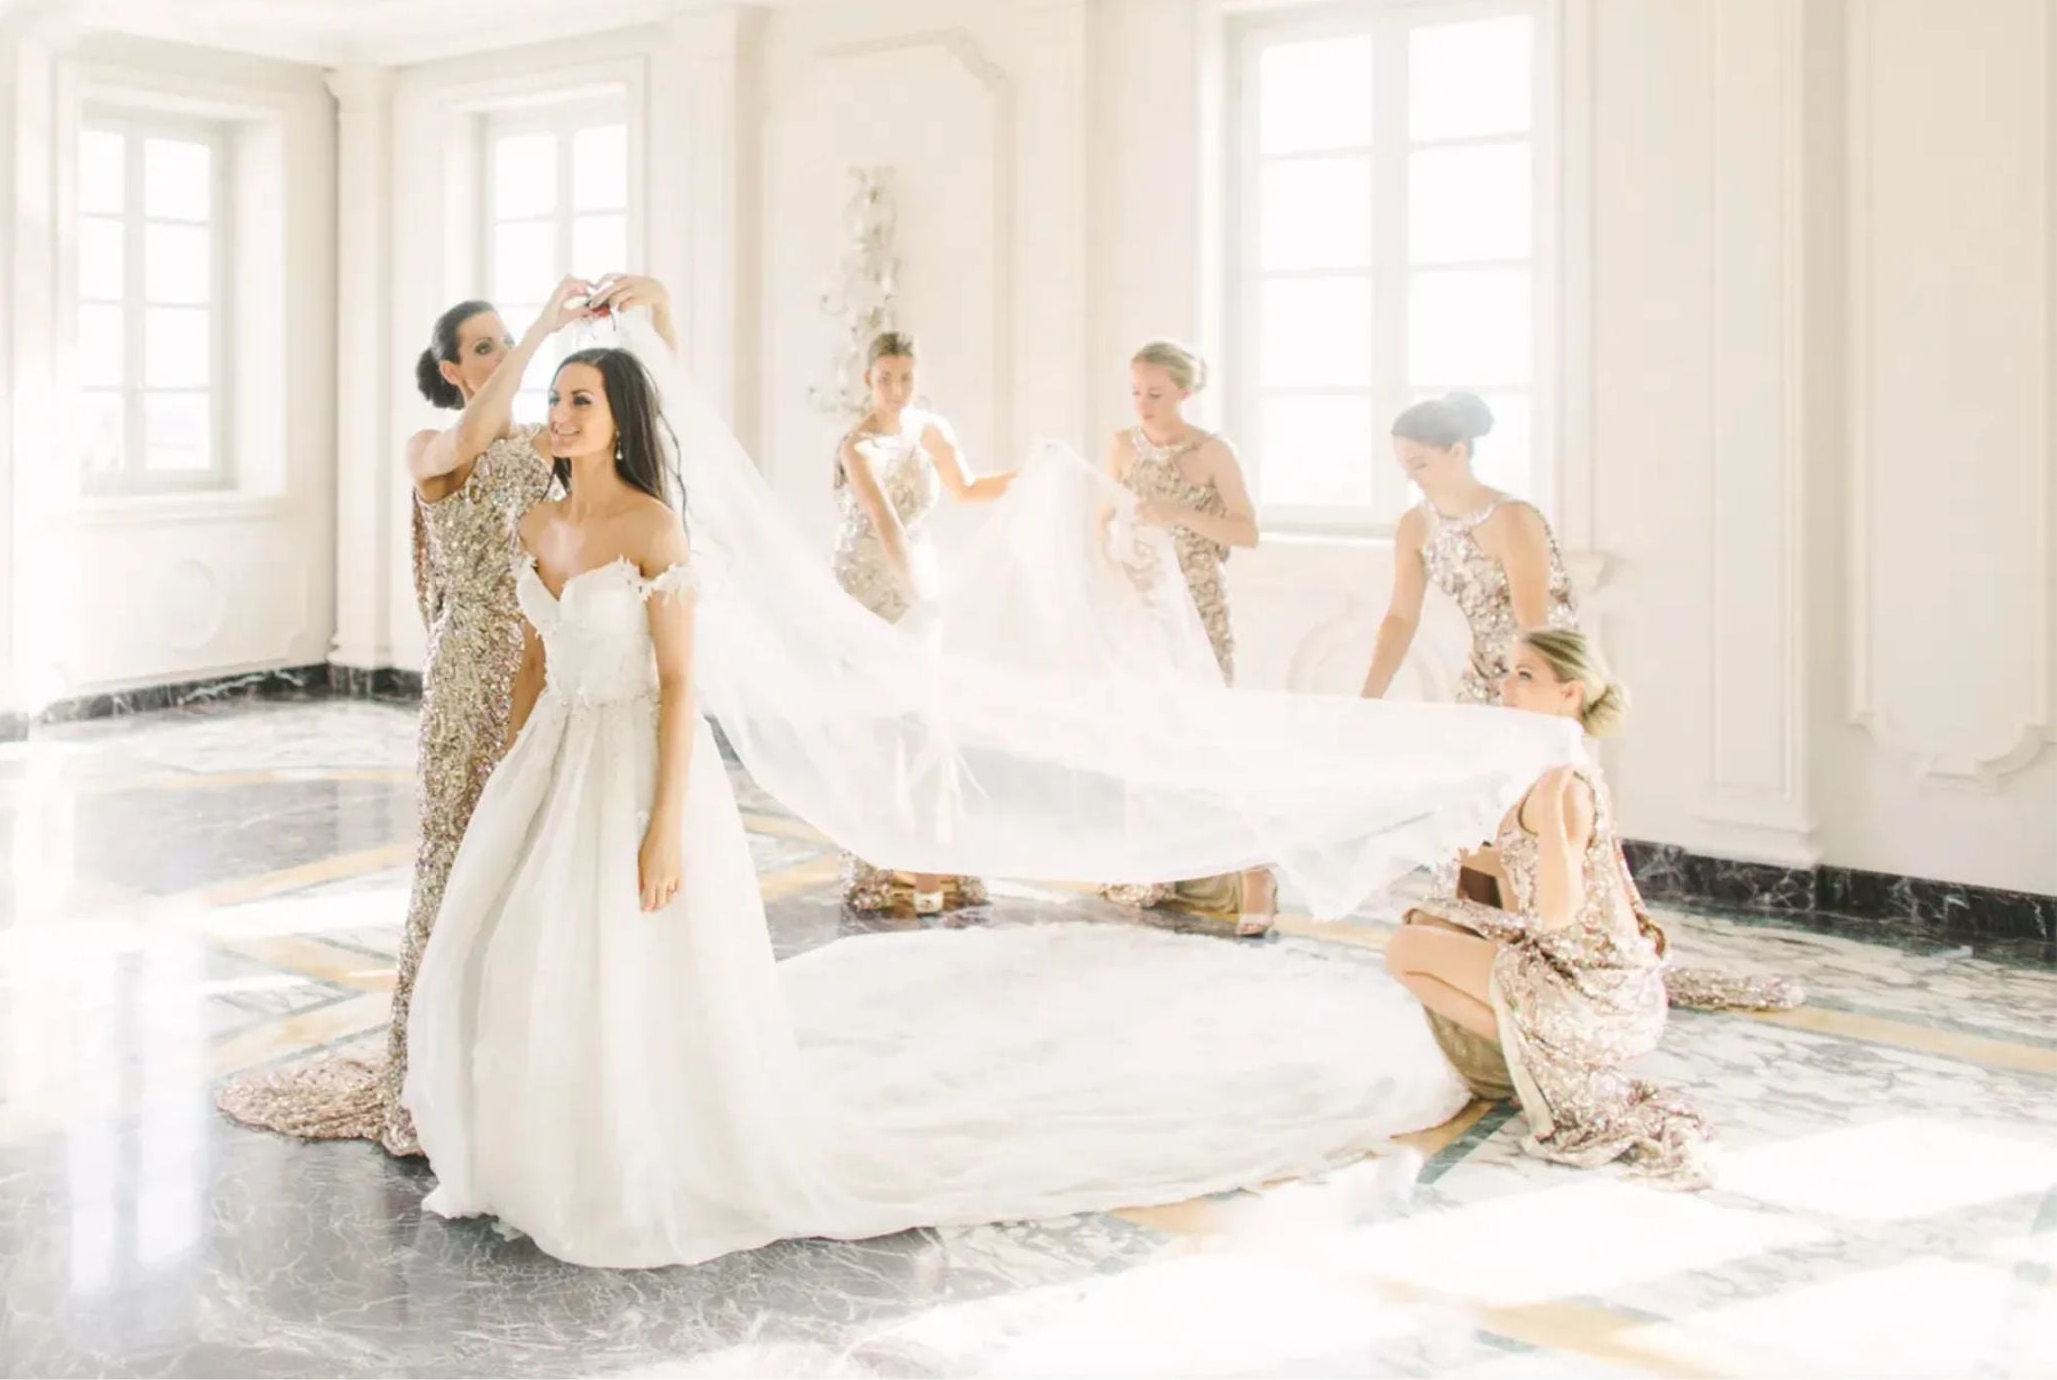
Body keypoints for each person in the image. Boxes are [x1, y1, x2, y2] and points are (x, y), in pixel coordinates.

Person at [401, 318, 1544, 1267]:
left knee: (621, 954)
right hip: (549, 760)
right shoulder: (531, 518)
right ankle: (531, 1146)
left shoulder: (652, 525)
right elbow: (533, 662)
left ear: (621, 423)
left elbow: (682, 680)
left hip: (637, 770)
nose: (560, 416)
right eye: (555, 399)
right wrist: (510, 768)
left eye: (581, 401)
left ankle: (631, 1150)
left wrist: (663, 824)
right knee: (515, 948)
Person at [217, 273, 674, 1156]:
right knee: (456, 868)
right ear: (451, 369)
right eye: (485, 346)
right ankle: (423, 1075)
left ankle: (512, 1072)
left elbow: (644, 431)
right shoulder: (434, 445)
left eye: (507, 341)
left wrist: (656, 318)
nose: (504, 355)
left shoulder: (549, 447)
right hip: (471, 674)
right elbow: (472, 432)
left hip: (550, 664)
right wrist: (545, 323)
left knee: (532, 868)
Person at [1385, 628, 1796, 1184]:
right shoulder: (1554, 768)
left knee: (1403, 950)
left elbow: (1556, 913)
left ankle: (1548, 1058)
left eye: (1525, 675)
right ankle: (1533, 1050)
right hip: (1584, 972)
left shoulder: (1565, 787)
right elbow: (1520, 868)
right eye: (1509, 671)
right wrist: (1418, 842)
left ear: (1570, 694)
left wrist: (1552, 811)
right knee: (1429, 920)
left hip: (1589, 996)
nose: (1505, 685)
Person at [831, 330, 1016, 914]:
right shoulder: (856, 447)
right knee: (876, 727)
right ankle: (880, 865)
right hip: (868, 589)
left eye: (906, 377)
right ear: (868, 380)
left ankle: (936, 867)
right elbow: (884, 523)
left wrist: (1033, 473)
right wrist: (916, 592)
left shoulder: (932, 429)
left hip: (918, 580)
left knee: (925, 721)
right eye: (885, 377)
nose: (896, 388)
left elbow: (966, 488)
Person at [1097, 340, 1278, 936]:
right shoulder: (1122, 446)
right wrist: (1111, 570)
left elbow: (1246, 532)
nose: (1143, 405)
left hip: (1198, 609)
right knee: (1146, 736)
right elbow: (1104, 519)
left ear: (1184, 392)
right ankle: (1156, 865)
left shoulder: (1212, 452)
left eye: (1155, 393)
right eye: (1135, 392)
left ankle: (1255, 870)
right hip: (1140, 606)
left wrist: (1177, 511)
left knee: (1210, 734)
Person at [1361, 393, 1576, 705]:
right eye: (1405, 467)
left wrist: (1533, 699)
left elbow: (1534, 624)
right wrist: (1366, 701)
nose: (1411, 477)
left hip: (1546, 674)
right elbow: (1401, 617)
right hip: (1482, 675)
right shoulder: (1414, 526)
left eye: (1420, 464)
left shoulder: (1513, 519)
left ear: (1457, 451)